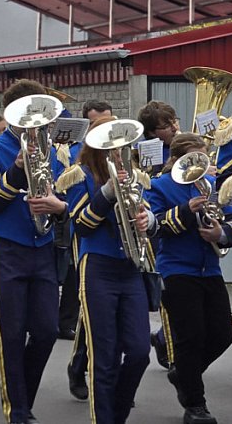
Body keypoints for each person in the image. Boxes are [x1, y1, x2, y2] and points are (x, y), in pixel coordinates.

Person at [0, 79, 66, 424]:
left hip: (41, 247)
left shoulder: (53, 151)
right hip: (6, 248)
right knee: (12, 332)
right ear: (12, 115)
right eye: (29, 114)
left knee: (46, 331)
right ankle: (18, 410)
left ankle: (20, 390)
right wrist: (17, 168)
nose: (35, 122)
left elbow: (59, 195)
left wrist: (58, 204)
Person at [58, 116, 153, 424]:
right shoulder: (79, 175)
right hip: (97, 266)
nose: (119, 150)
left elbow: (147, 216)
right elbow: (81, 225)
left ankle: (117, 411)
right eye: (112, 144)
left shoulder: (134, 176)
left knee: (139, 351)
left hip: (130, 268)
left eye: (123, 144)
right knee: (105, 355)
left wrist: (147, 222)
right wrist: (107, 193)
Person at [145, 133, 232, 424]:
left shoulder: (208, 186)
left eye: (203, 158)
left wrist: (220, 234)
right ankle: (195, 405)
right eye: (194, 159)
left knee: (223, 333)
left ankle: (183, 373)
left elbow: (229, 218)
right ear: (177, 159)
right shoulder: (159, 186)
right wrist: (185, 211)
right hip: (177, 269)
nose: (201, 165)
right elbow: (153, 227)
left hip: (210, 268)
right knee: (190, 337)